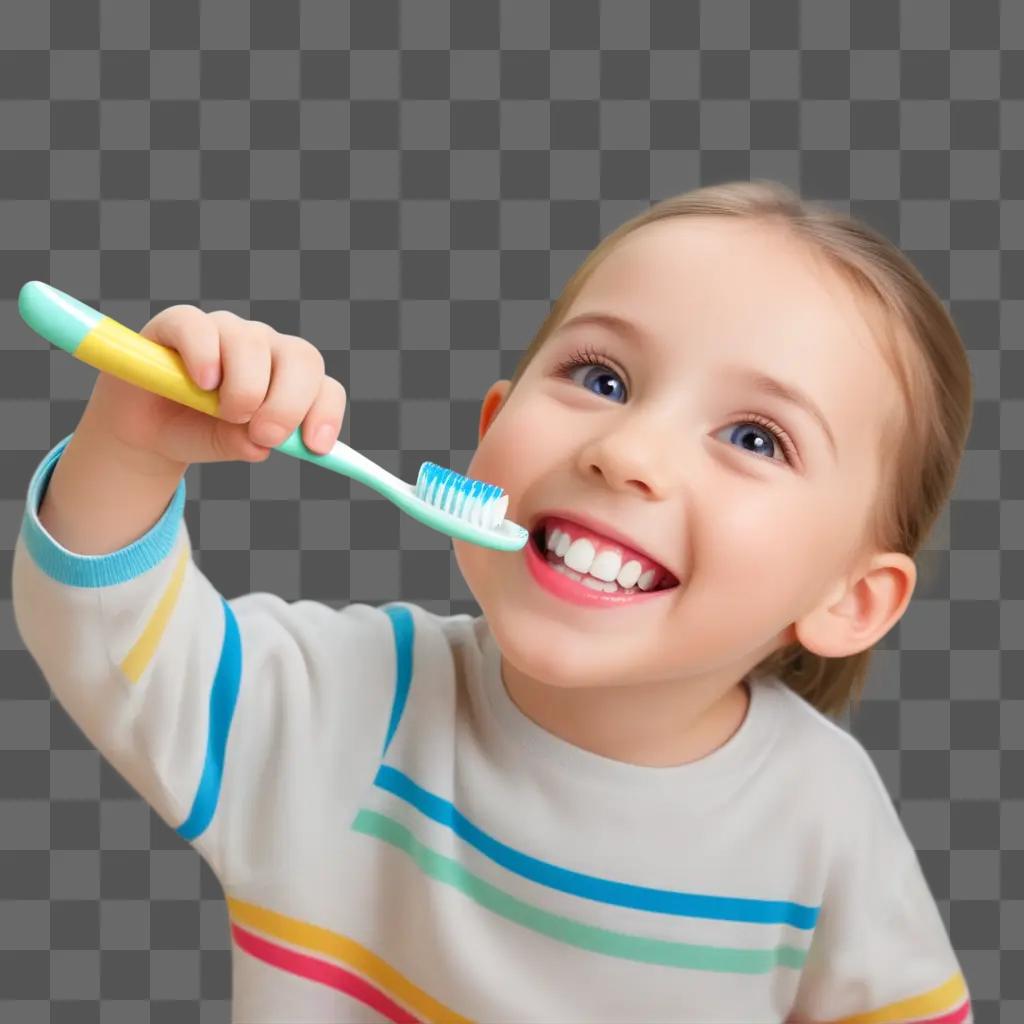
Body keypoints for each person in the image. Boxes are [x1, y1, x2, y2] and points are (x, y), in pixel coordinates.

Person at [12, 180, 975, 1022]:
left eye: (757, 438)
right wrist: (131, 448)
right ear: (494, 426)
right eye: (600, 377)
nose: (625, 452)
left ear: (853, 600)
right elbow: (112, 639)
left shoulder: (822, 821)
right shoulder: (347, 708)